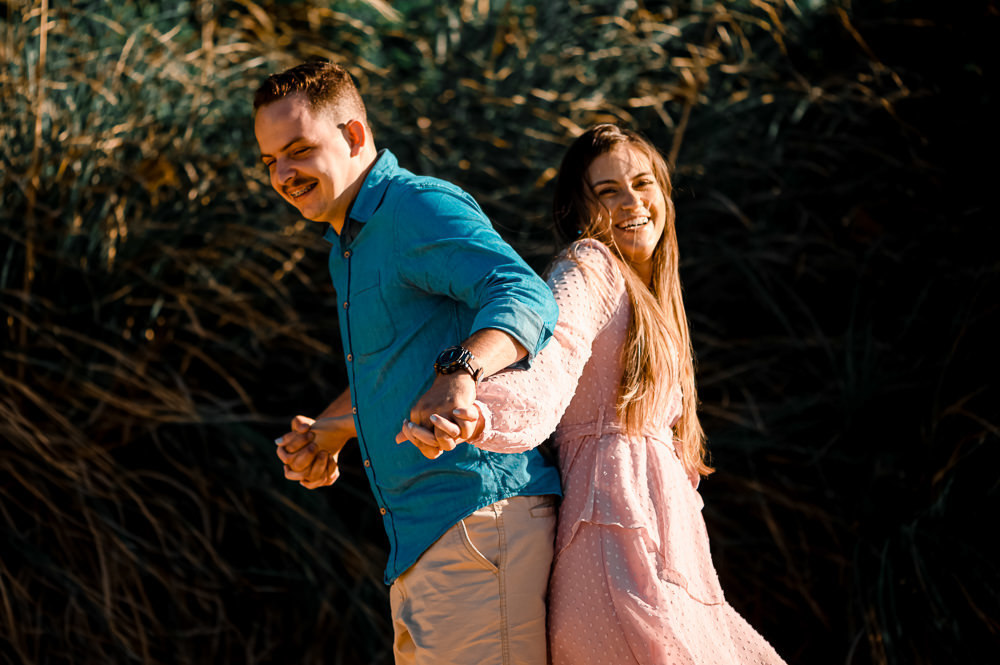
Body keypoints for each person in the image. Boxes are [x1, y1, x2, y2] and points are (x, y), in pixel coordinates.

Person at [404, 124, 787, 664]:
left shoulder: (654, 297)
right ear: (580, 211)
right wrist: (476, 411)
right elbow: (551, 364)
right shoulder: (589, 265)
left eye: (642, 182)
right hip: (612, 539)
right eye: (608, 192)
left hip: (665, 545)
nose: (632, 202)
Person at [254, 61, 561, 665]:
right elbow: (397, 370)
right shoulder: (348, 245)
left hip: (479, 524)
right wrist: (331, 432)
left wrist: (461, 372)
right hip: (423, 550)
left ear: (354, 136)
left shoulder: (413, 208)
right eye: (270, 162)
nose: (284, 175)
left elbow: (524, 292)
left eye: (298, 150)